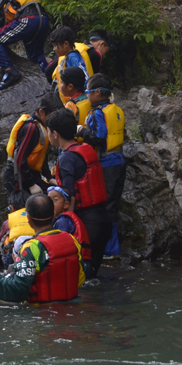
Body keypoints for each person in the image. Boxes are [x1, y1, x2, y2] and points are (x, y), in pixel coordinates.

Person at [45, 108, 113, 277]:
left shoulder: (67, 158)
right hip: (103, 219)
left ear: (55, 134)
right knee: (91, 275)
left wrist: (65, 228)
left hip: (87, 223)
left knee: (79, 277)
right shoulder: (85, 148)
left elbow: (69, 196)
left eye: (48, 131)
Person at [0, 194, 85, 303]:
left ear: (28, 219)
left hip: (43, 313)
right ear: (54, 215)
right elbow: (81, 276)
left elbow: (18, 291)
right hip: (74, 309)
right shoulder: (72, 240)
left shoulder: (31, 247)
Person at [78, 73, 126, 257]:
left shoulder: (98, 112)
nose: (86, 95)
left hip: (107, 164)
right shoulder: (116, 109)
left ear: (97, 93)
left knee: (106, 207)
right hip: (119, 160)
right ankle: (110, 248)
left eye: (88, 91)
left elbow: (98, 137)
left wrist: (82, 131)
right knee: (112, 205)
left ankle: (109, 249)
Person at [2, 92, 65, 208]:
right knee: (23, 209)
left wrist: (49, 177)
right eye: (51, 116)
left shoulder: (41, 127)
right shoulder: (31, 128)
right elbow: (20, 159)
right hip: (16, 175)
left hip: (29, 174)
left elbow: (41, 155)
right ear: (41, 112)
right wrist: (31, 185)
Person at [47, 185, 94, 278]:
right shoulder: (65, 218)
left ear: (66, 205)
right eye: (49, 200)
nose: (51, 204)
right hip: (85, 262)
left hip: (79, 265)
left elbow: (60, 247)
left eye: (55, 200)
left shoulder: (62, 222)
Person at [46, 26, 100, 102]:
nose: (54, 49)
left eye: (55, 46)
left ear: (66, 44)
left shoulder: (73, 57)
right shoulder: (66, 57)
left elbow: (84, 73)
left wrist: (88, 91)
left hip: (77, 98)